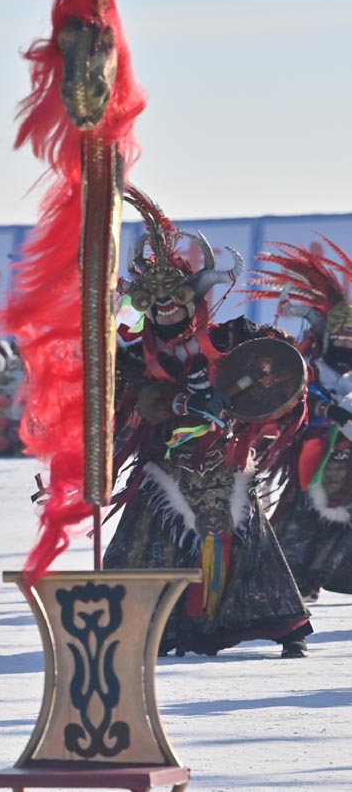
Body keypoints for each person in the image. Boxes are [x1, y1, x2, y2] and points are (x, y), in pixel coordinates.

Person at [103, 186, 311, 657]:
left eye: (174, 298)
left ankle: (285, 627)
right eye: (156, 302)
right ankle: (142, 625)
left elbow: (276, 366)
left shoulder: (231, 338)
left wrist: (247, 387)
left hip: (223, 459)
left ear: (192, 299)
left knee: (245, 538)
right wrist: (165, 401)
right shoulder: (135, 355)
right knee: (145, 540)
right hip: (166, 462)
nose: (165, 307)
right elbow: (122, 399)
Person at [249, 238, 352, 656]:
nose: (346, 343)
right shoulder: (312, 368)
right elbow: (297, 399)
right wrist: (328, 412)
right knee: (296, 529)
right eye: (340, 336)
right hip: (315, 460)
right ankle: (287, 601)